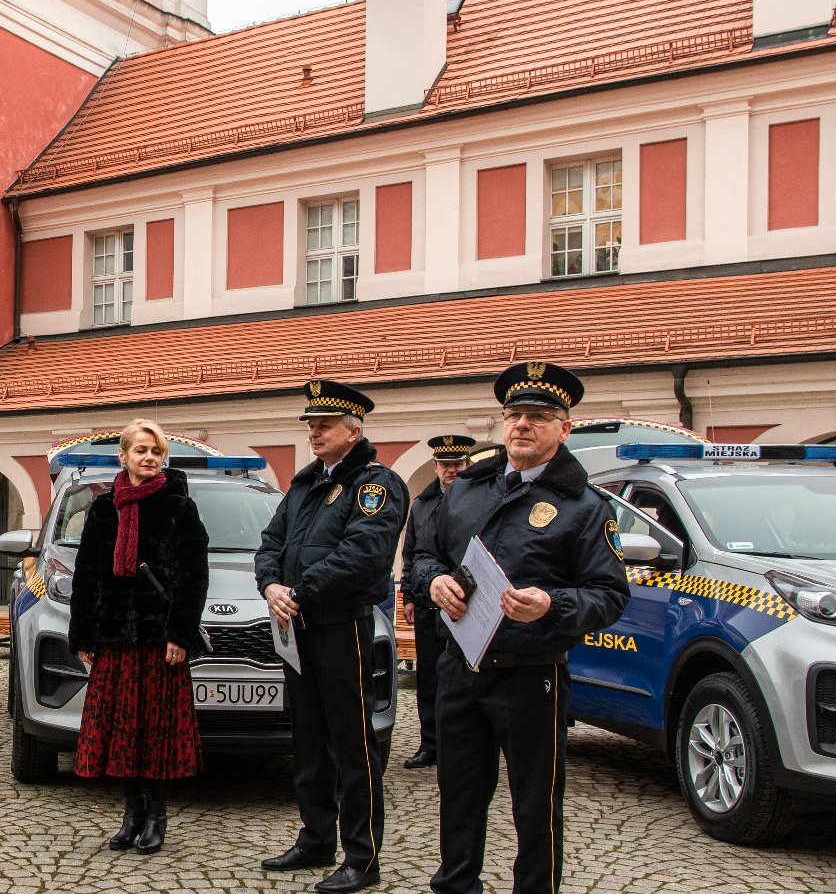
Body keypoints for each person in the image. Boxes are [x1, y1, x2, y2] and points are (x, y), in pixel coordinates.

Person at [413, 361, 631, 894]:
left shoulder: (583, 506)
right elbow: (423, 555)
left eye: (538, 416)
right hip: (460, 667)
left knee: (536, 801)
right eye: (513, 415)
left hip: (531, 676)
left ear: (565, 428)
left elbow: (609, 595)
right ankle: (457, 884)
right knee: (459, 793)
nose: (522, 426)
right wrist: (435, 582)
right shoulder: (466, 490)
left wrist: (551, 604)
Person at [254, 381, 408, 894]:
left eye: (324, 425)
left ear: (353, 430)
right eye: (310, 425)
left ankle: (362, 858)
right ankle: (316, 836)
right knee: (310, 742)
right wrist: (271, 584)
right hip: (297, 629)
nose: (314, 432)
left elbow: (364, 553)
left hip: (344, 627)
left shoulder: (375, 485)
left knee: (353, 744)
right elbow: (270, 542)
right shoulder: (303, 486)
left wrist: (298, 589)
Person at [67, 420, 209, 855]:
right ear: (123, 456)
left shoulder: (179, 505)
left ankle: (158, 818)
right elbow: (87, 575)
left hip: (158, 637)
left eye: (157, 452)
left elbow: (194, 576)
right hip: (114, 637)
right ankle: (131, 815)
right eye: (141, 450)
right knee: (122, 730)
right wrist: (84, 633)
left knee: (157, 730)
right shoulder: (104, 508)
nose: (149, 458)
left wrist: (180, 633)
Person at [398, 434, 475, 770]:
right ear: (436, 467)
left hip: (466, 607)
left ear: (467, 464)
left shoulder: (478, 500)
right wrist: (409, 596)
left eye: (457, 463)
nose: (451, 470)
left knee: (462, 678)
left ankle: (462, 745)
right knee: (428, 677)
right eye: (445, 464)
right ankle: (430, 744)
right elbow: (411, 552)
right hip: (429, 606)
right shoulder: (422, 504)